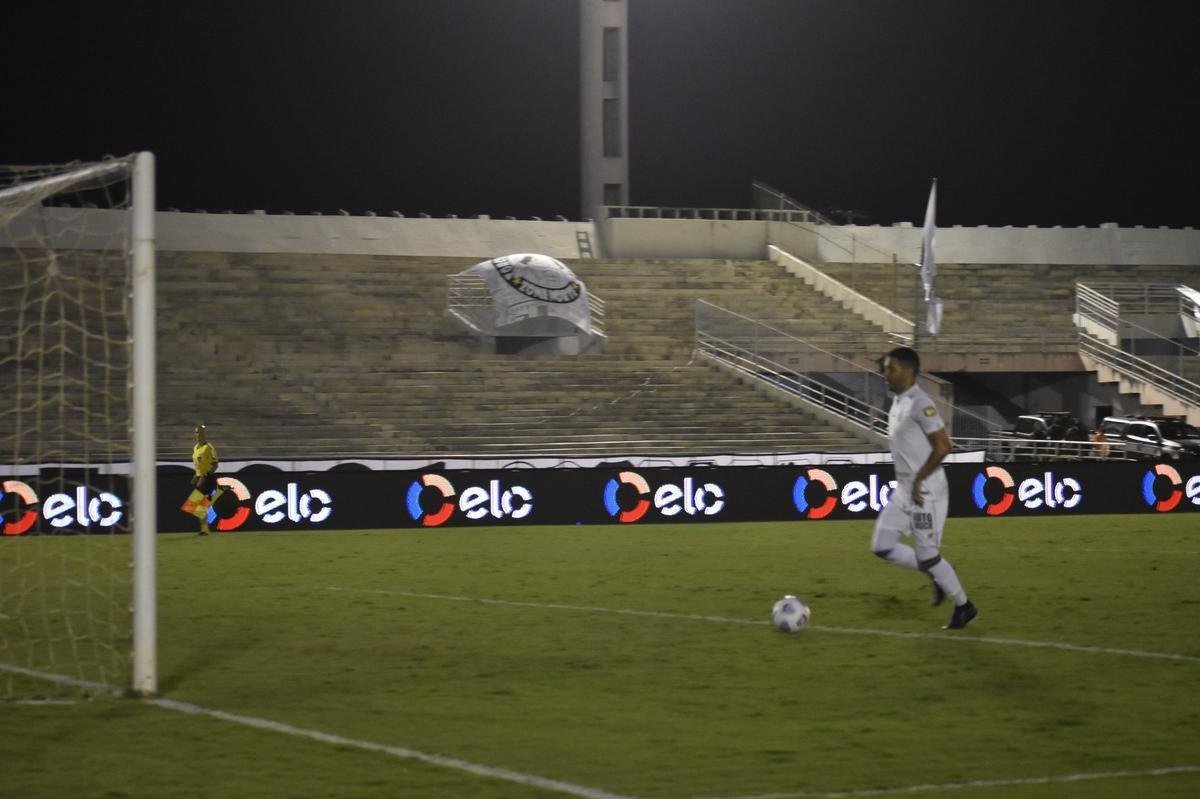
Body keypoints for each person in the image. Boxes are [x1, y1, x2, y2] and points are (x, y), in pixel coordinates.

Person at [871, 347, 977, 629]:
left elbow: (944, 446)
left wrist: (919, 479)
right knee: (882, 546)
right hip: (905, 488)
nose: (886, 374)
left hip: (925, 490)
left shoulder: (921, 403)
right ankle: (939, 574)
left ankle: (963, 606)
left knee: (928, 555)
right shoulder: (898, 401)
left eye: (891, 369)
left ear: (908, 371)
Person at [183, 424, 224, 535]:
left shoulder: (208, 448)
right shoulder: (195, 448)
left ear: (204, 434)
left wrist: (205, 475)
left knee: (194, 505)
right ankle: (204, 530)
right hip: (200, 477)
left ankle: (216, 495)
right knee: (197, 507)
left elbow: (215, 465)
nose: (198, 434)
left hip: (207, 478)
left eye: (200, 432)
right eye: (196, 432)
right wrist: (196, 476)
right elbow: (199, 465)